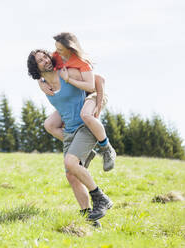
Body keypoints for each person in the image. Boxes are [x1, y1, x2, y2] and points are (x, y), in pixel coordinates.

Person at [27, 49, 113, 223]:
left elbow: (96, 79)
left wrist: (98, 105)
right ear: (36, 68)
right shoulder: (44, 84)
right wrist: (39, 81)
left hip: (85, 126)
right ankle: (89, 217)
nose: (46, 61)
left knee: (70, 162)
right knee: (71, 175)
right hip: (70, 131)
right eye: (40, 61)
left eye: (46, 57)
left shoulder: (67, 72)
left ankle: (100, 197)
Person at [37, 32, 116, 171]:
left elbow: (93, 84)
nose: (56, 53)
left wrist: (68, 80)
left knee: (85, 115)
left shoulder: (81, 62)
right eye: (56, 49)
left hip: (94, 93)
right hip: (77, 97)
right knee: (49, 124)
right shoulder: (57, 57)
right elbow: (44, 70)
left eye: (60, 49)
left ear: (70, 48)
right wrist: (40, 82)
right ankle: (81, 149)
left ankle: (107, 149)